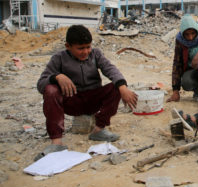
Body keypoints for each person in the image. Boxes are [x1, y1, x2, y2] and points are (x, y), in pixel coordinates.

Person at [36, 25, 138, 160]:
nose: (85, 51)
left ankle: (98, 129)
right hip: (71, 102)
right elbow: (41, 83)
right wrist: (56, 77)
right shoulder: (58, 58)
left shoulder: (96, 54)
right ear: (68, 46)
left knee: (116, 87)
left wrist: (123, 87)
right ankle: (57, 142)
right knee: (51, 90)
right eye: (80, 48)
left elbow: (110, 69)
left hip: (93, 101)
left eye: (88, 47)